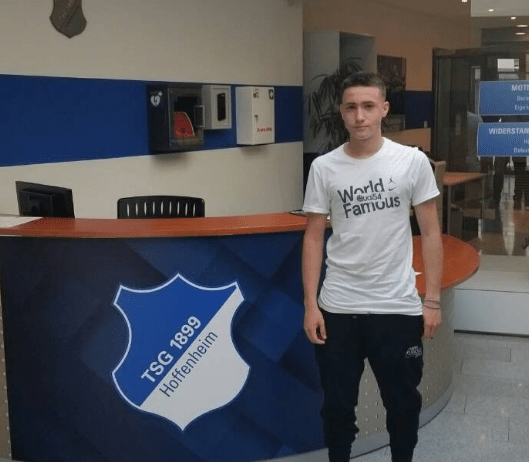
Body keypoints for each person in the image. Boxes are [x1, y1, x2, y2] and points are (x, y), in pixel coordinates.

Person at [302, 72, 443, 462]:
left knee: (402, 405)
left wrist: (432, 300)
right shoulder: (324, 167)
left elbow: (431, 232)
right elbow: (313, 237)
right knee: (336, 408)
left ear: (384, 109)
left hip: (395, 308)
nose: (359, 116)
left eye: (368, 106)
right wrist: (311, 305)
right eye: (351, 107)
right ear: (341, 112)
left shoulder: (411, 161)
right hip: (338, 308)